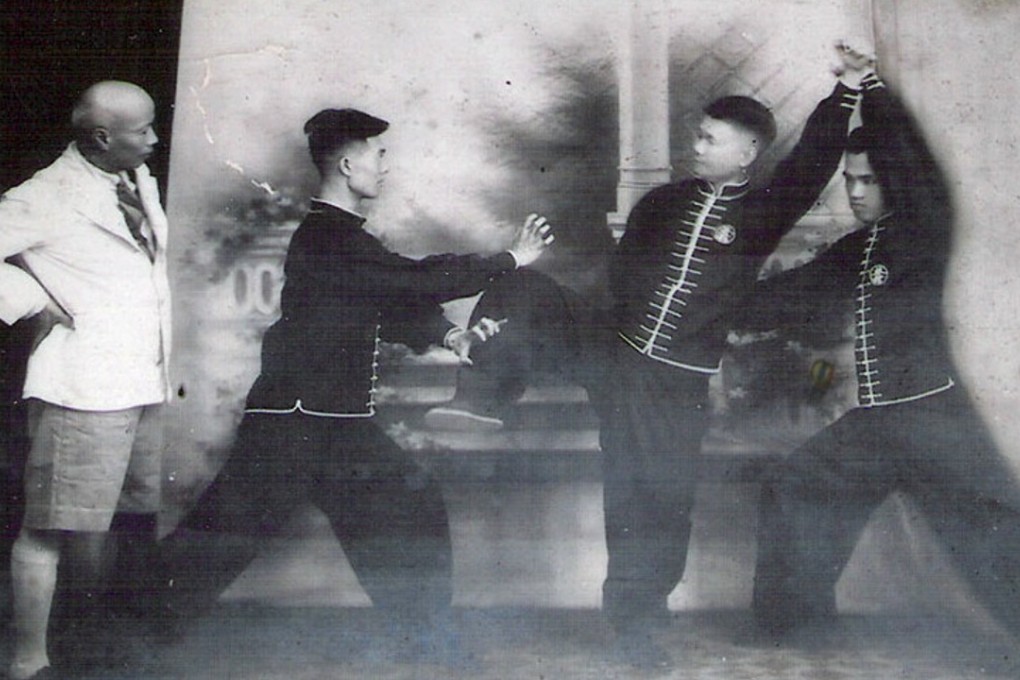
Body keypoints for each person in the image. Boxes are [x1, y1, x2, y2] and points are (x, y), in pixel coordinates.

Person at [426, 41, 872, 668]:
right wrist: (579, 337)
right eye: (699, 135)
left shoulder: (765, 210)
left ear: (749, 152)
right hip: (617, 351)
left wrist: (848, 88)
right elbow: (620, 283)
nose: (699, 146)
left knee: (651, 500)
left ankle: (638, 626)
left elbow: (814, 160)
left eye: (713, 139)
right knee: (524, 284)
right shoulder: (660, 205)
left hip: (673, 385)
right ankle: (478, 399)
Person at [156, 108, 552, 661]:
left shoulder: (344, 241)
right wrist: (510, 259)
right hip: (295, 426)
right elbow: (407, 280)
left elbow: (385, 302)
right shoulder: (326, 238)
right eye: (378, 156)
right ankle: (112, 641)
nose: (386, 168)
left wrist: (452, 337)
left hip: (333, 426)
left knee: (412, 509)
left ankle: (428, 648)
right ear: (347, 164)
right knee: (214, 544)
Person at [747, 68, 1020, 643]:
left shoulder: (924, 226)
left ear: (894, 182)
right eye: (848, 180)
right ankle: (794, 629)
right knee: (793, 487)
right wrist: (716, 309)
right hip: (877, 425)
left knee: (994, 536)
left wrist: (870, 88)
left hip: (934, 423)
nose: (855, 192)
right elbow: (797, 289)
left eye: (868, 180)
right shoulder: (861, 245)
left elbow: (914, 161)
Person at [0, 80, 170, 680]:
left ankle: (84, 638)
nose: (154, 138)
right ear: (102, 137)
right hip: (84, 386)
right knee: (49, 526)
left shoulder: (132, 179)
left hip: (141, 381)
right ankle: (25, 661)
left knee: (108, 521)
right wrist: (33, 302)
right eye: (143, 130)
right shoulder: (46, 195)